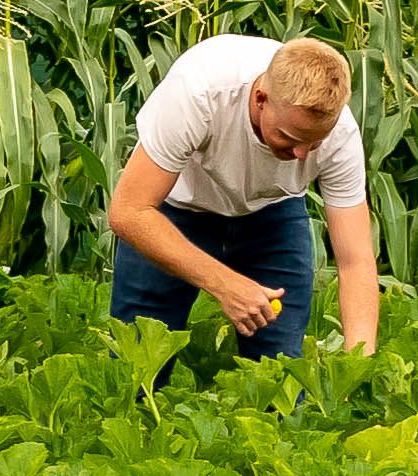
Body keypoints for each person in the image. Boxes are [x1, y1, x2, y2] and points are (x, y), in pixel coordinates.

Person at [105, 33, 378, 357]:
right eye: (289, 138)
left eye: (314, 142)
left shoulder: (340, 135)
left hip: (273, 217)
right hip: (173, 210)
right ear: (261, 99)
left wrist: (359, 364)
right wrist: (225, 284)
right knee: (137, 361)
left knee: (281, 374)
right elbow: (128, 211)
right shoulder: (198, 92)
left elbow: (355, 261)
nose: (303, 153)